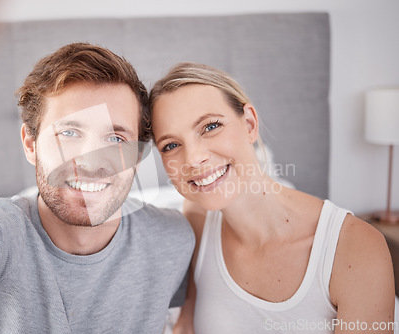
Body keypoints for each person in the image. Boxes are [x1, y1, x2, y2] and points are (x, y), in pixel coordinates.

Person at [0, 43, 194, 333]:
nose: (91, 164)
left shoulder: (172, 239)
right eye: (69, 133)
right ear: (30, 143)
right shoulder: (0, 233)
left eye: (116, 139)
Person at [148, 62, 395, 333]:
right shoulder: (197, 217)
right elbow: (186, 326)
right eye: (171, 145)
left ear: (250, 124)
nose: (194, 158)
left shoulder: (356, 249)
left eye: (210, 126)